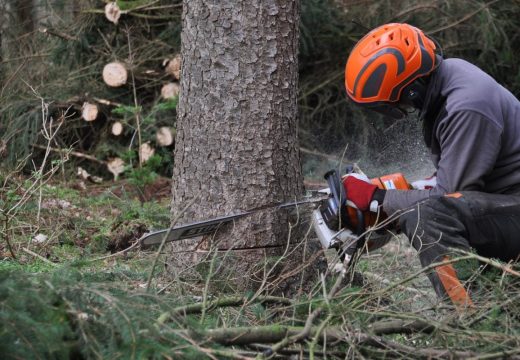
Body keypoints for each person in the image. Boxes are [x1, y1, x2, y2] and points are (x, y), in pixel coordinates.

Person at [342, 23, 520, 307]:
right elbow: (456, 182)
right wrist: (392, 191)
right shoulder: (449, 78)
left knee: (428, 218)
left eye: (394, 102)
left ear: (412, 90)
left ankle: (473, 321)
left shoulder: (465, 107)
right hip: (507, 202)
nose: (398, 109)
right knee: (424, 209)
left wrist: (378, 200)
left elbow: (449, 199)